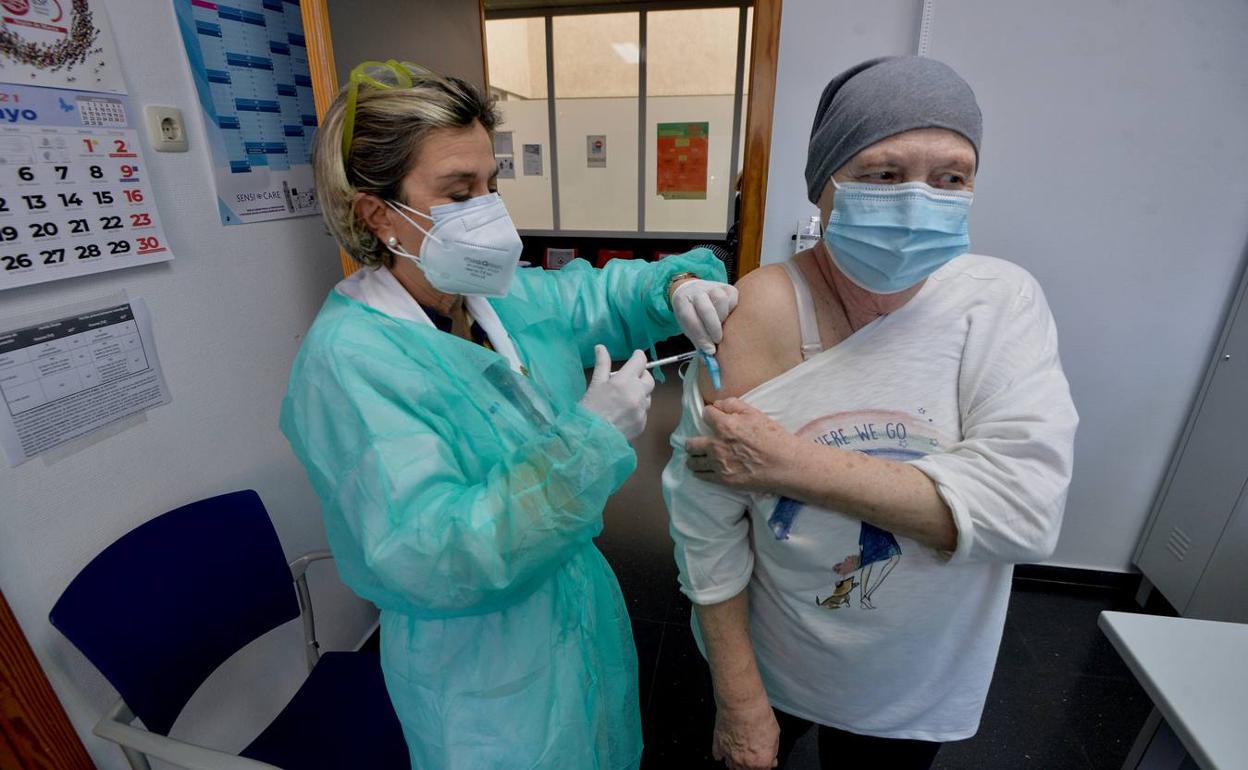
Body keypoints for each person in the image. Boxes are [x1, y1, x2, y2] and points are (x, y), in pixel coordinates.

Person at [280, 60, 737, 770]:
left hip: (572, 610)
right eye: (459, 192)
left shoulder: (499, 299)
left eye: (491, 185)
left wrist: (675, 284)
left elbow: (603, 297)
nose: (489, 211)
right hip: (478, 672)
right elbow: (433, 556)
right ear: (377, 213)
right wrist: (585, 444)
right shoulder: (349, 364)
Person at [662, 56, 1079, 770]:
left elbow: (1023, 515)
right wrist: (739, 702)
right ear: (823, 184)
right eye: (883, 174)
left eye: (951, 177)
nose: (919, 201)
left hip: (915, 681)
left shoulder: (998, 304)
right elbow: (705, 527)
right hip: (775, 657)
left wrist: (791, 466)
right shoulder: (759, 310)